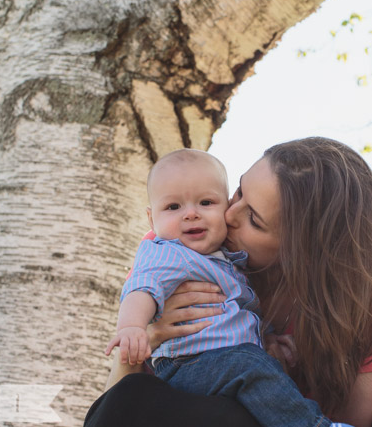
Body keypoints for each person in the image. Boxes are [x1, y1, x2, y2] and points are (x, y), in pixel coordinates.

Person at [86, 138, 372, 427]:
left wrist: (267, 346)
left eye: (254, 219)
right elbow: (115, 405)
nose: (229, 215)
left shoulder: (353, 314)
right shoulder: (178, 246)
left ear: (304, 251)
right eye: (238, 193)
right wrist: (148, 334)